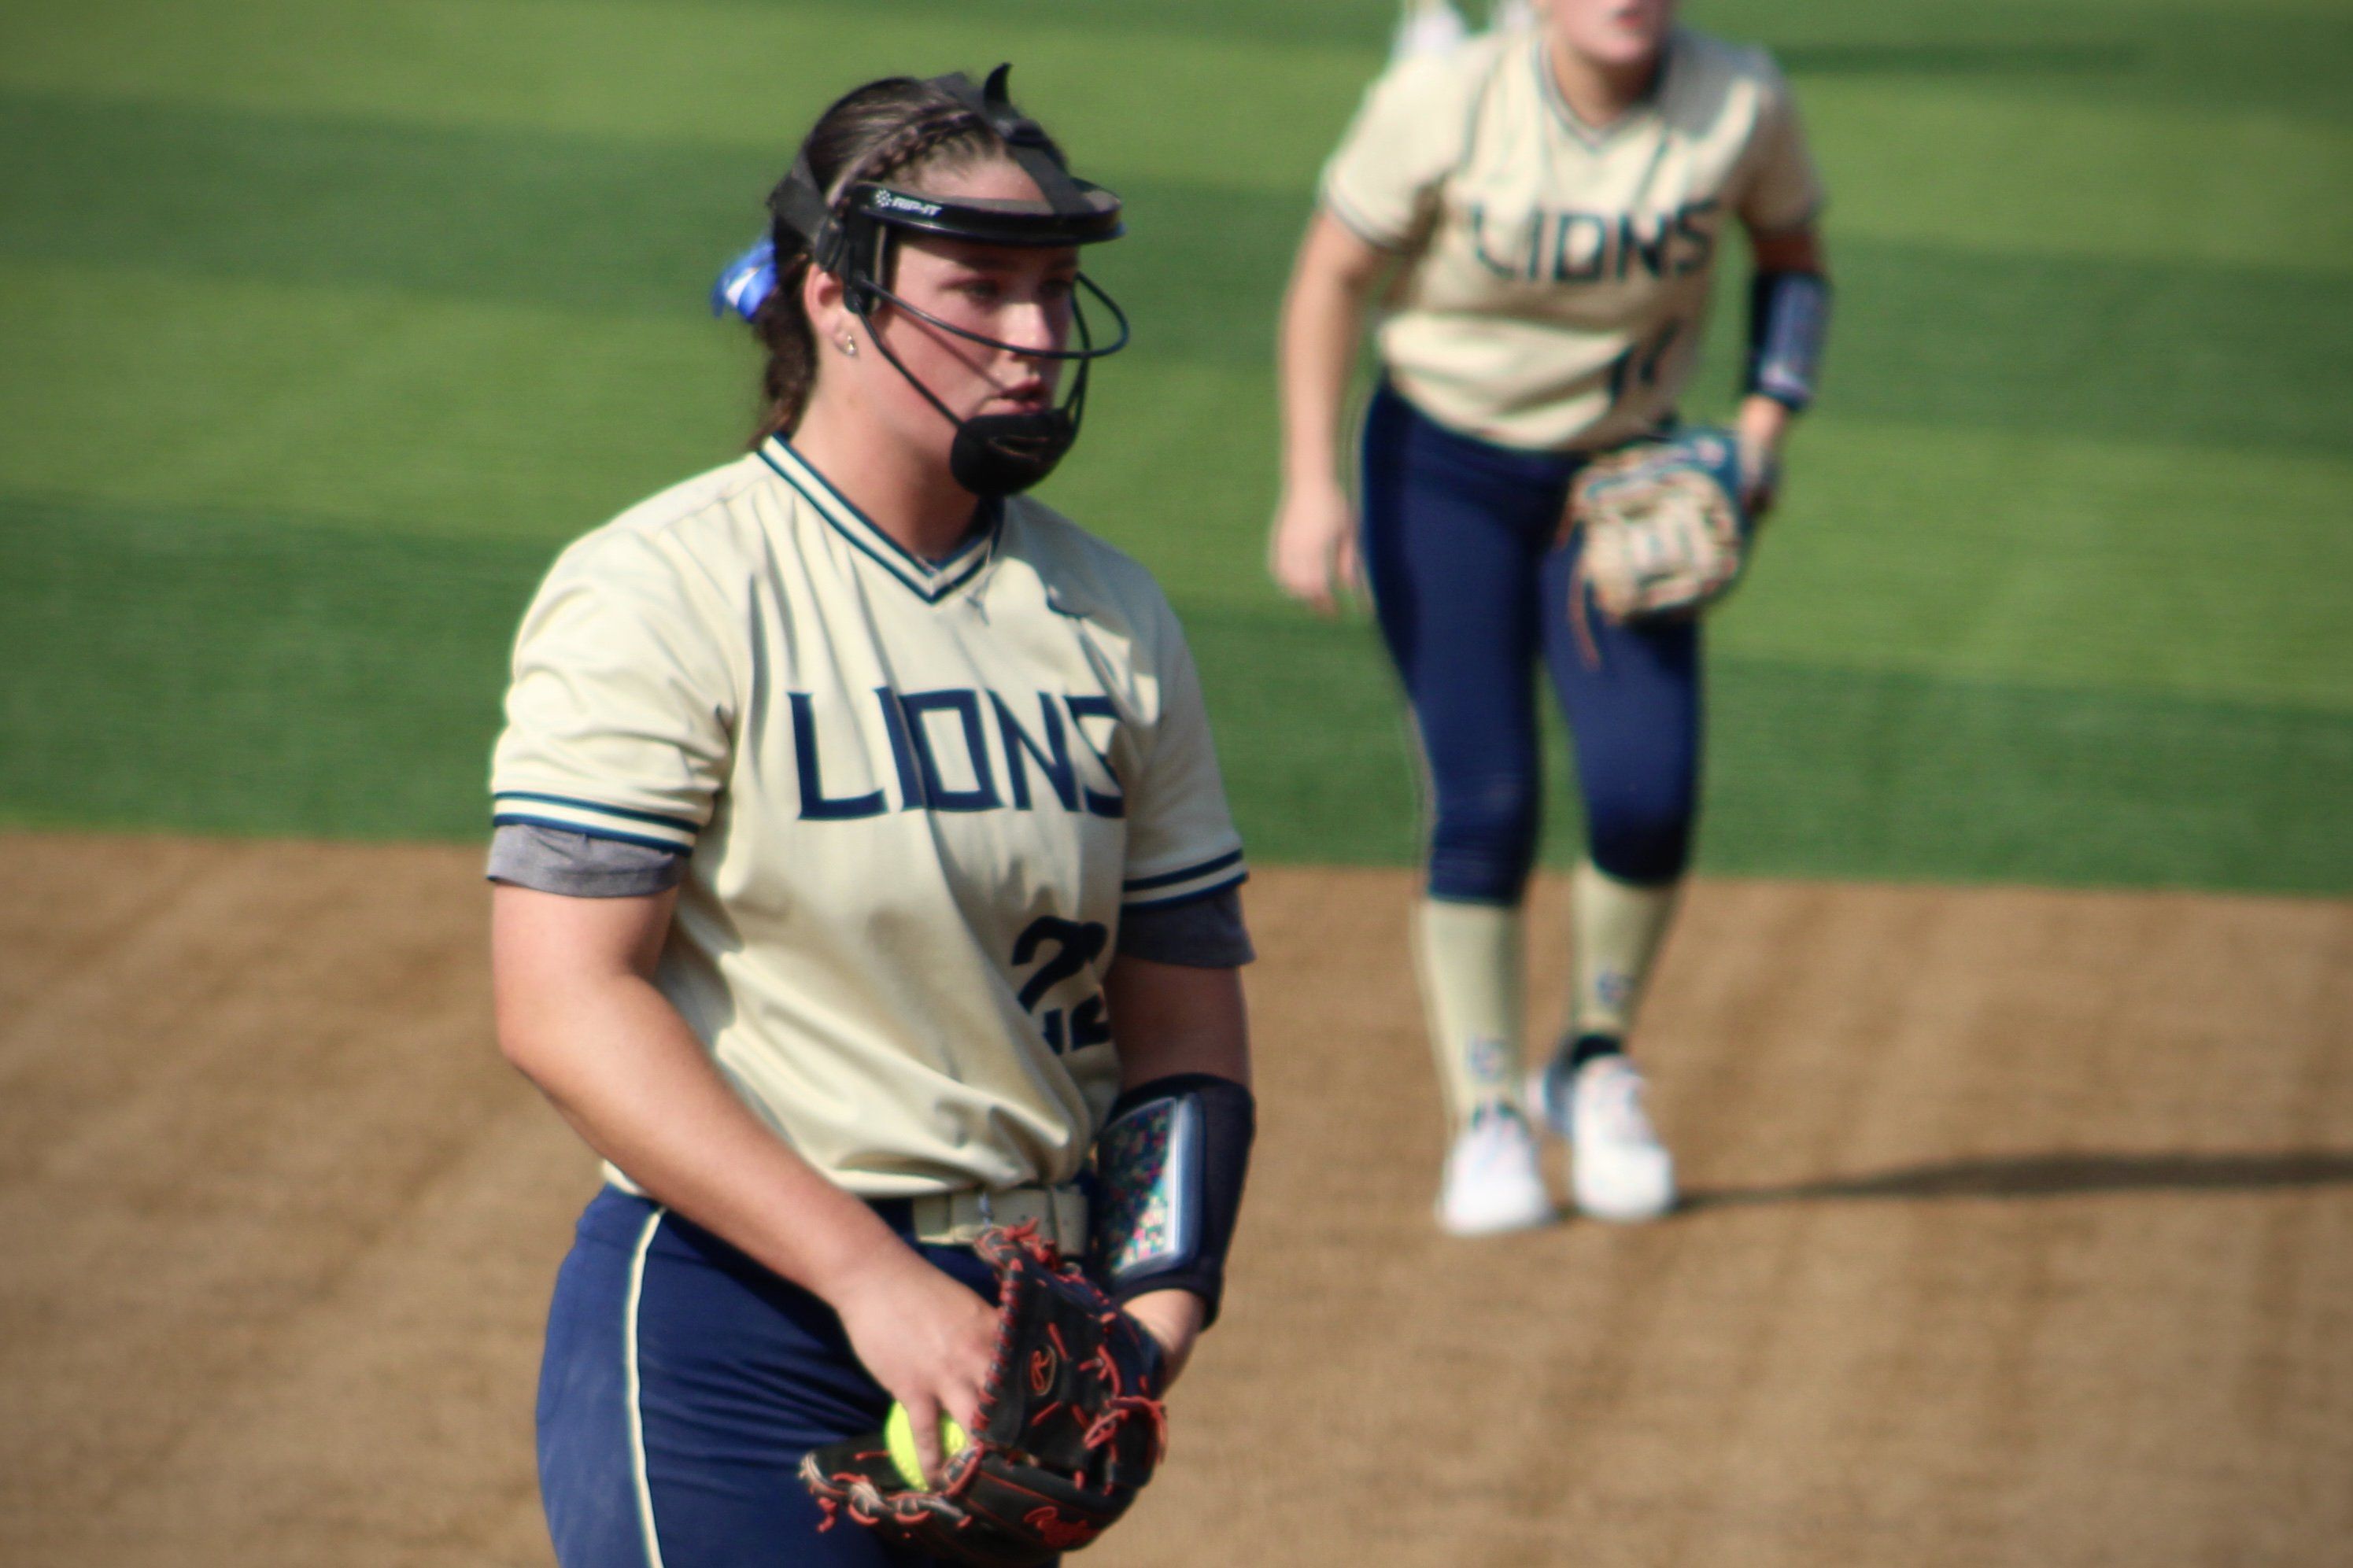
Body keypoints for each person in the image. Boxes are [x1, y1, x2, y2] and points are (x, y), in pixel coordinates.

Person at [489, 68, 1257, 1566]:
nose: (1036, 337)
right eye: (982, 288)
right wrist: (868, 1278)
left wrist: (1142, 1328)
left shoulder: (1111, 617)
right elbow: (562, 999)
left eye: (1055, 288)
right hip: (736, 1314)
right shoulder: (667, 587)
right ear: (835, 299)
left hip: (1024, 1335)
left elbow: (1183, 1039)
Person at [1269, 0, 1830, 1234]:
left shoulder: (1739, 100)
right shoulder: (1444, 100)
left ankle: (1589, 1059)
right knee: (1487, 798)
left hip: (1620, 485)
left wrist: (1758, 435)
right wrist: (1311, 483)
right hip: (1442, 473)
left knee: (1644, 788)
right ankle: (1485, 1114)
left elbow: (1792, 256)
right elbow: (1330, 276)